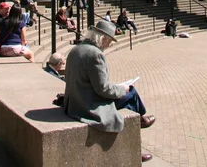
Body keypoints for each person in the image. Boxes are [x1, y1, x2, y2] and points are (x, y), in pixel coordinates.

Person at [65, 19, 155, 162]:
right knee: (130, 93)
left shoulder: (76, 49)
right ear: (103, 38)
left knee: (127, 93)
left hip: (74, 101)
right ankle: (138, 134)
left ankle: (141, 120)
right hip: (88, 104)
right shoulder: (96, 54)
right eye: (110, 40)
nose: (110, 44)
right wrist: (122, 89)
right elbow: (103, 89)